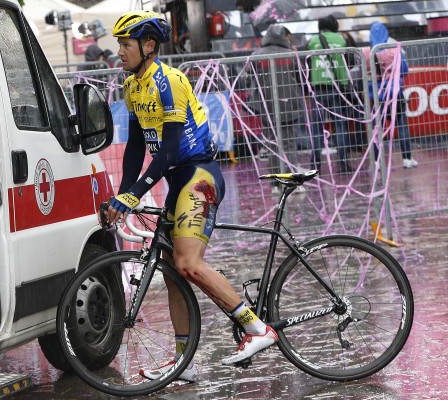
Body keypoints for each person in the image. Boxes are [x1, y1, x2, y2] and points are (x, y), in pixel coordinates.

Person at [102, 10, 278, 381]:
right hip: (176, 179)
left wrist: (134, 195)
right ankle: (182, 363)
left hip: (198, 176)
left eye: (125, 43)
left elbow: (166, 151)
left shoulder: (170, 81)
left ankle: (258, 329)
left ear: (148, 46)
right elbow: (136, 148)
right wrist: (122, 195)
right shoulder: (133, 86)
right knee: (172, 274)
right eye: (118, 43)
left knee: (187, 264)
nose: (119, 51)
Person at [247, 24, 304, 193]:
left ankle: (275, 185)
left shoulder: (256, 55)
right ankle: (290, 182)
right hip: (290, 105)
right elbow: (301, 78)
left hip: (267, 106)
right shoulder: (291, 55)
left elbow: (249, 80)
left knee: (272, 145)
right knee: (289, 144)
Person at [307, 14, 355, 174]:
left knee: (317, 128)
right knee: (340, 126)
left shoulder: (313, 41)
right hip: (337, 87)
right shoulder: (341, 40)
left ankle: (315, 166)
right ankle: (343, 163)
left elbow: (304, 64)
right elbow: (351, 62)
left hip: (318, 88)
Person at [368, 22, 418, 168]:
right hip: (395, 93)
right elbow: (404, 70)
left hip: (376, 96)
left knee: (377, 130)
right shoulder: (394, 49)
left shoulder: (367, 52)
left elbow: (361, 74)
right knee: (402, 126)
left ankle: (377, 162)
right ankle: (407, 159)